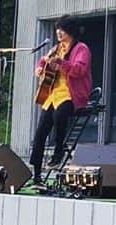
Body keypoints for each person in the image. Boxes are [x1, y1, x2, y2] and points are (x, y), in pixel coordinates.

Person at [30, 15, 92, 185]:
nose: (58, 32)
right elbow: (41, 62)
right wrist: (40, 69)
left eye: (62, 29)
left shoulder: (81, 49)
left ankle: (59, 151)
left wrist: (62, 64)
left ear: (70, 31)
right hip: (52, 95)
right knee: (40, 133)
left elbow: (79, 70)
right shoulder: (56, 49)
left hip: (71, 94)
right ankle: (36, 174)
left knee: (60, 115)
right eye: (57, 28)